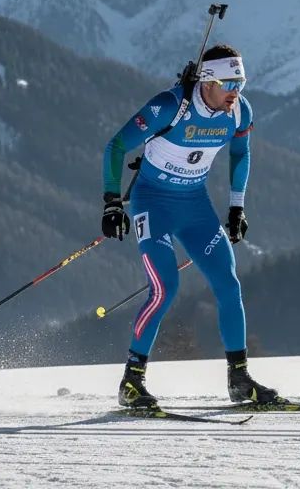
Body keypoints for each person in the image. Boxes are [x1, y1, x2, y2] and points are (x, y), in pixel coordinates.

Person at [100, 43, 281, 408]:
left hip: (195, 206)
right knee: (165, 288)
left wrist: (236, 208)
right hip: (153, 204)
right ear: (208, 81)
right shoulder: (170, 106)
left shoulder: (239, 112)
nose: (236, 92)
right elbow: (116, 146)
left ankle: (239, 379)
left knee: (228, 284)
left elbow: (241, 153)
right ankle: (131, 381)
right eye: (230, 83)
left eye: (241, 83)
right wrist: (112, 203)